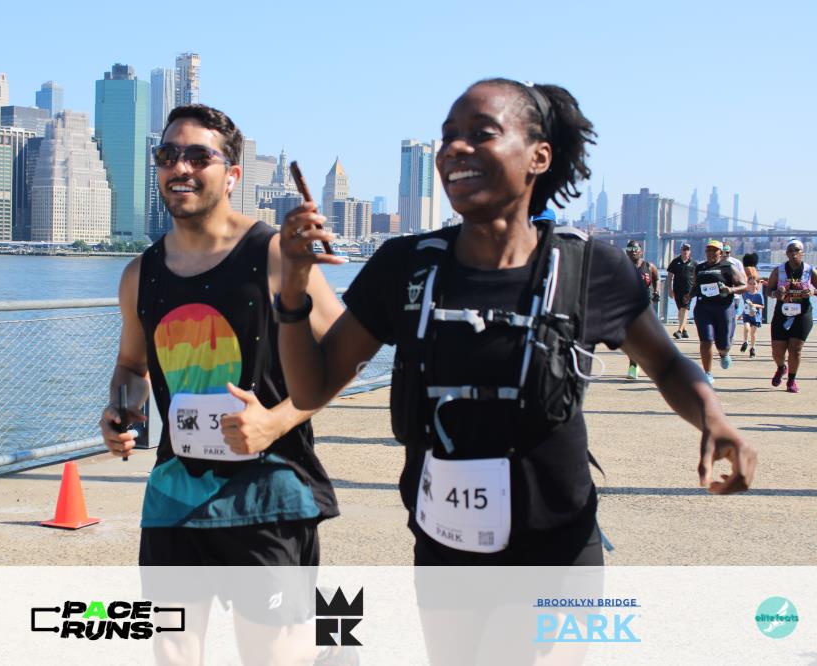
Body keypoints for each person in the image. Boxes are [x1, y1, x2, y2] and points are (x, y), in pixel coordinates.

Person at [276, 78, 755, 571]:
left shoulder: (590, 268)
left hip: (560, 553)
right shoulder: (403, 266)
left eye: (481, 133)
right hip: (443, 555)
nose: (455, 148)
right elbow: (312, 389)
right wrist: (293, 284)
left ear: (539, 157)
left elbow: (667, 365)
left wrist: (713, 419)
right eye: (448, 136)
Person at [99, 104, 342, 665]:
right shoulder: (140, 275)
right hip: (174, 494)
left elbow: (344, 355)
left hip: (268, 492)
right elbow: (132, 366)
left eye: (197, 156)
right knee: (172, 651)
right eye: (167, 155)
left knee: (273, 656)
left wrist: (276, 421)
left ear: (232, 174)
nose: (179, 167)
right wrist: (121, 412)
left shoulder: (273, 253)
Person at [685, 239, 746, 385]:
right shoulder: (700, 268)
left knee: (723, 345)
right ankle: (707, 373)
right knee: (706, 340)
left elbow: (743, 286)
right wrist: (689, 295)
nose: (711, 253)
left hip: (723, 308)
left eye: (714, 250)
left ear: (720, 253)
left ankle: (724, 353)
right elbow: (696, 286)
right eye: (708, 250)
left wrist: (730, 289)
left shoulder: (728, 267)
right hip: (703, 308)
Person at [767, 239, 816, 393]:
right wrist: (776, 293)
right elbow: (768, 291)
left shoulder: (810, 270)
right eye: (790, 250)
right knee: (777, 351)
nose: (793, 253)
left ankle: (791, 380)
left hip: (802, 313)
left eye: (797, 250)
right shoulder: (778, 271)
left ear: (802, 253)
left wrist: (812, 291)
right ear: (786, 253)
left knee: (795, 349)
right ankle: (781, 367)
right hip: (782, 312)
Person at [624, 240, 659, 379]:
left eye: (635, 248)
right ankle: (633, 365)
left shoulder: (649, 266)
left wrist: (656, 291)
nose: (633, 251)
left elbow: (656, 278)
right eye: (630, 249)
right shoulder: (622, 266)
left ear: (641, 251)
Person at [666, 242, 695, 339]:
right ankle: (684, 330)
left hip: (689, 291)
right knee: (680, 310)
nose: (685, 251)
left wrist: (695, 290)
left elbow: (697, 277)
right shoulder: (675, 262)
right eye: (684, 249)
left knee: (684, 309)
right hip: (677, 290)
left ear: (690, 251)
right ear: (681, 250)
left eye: (687, 249)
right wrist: (670, 289)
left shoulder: (693, 263)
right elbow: (669, 277)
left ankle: (679, 331)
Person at [740, 277, 764, 357]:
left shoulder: (759, 295)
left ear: (757, 285)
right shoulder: (745, 294)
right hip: (746, 315)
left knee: (753, 333)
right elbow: (745, 305)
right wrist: (741, 314)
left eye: (754, 284)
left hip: (755, 316)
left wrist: (754, 305)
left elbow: (762, 306)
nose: (752, 285)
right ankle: (745, 342)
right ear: (748, 284)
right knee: (746, 328)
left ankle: (752, 348)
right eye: (750, 283)